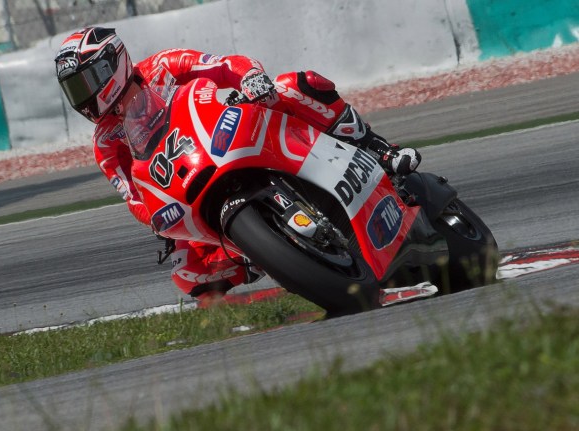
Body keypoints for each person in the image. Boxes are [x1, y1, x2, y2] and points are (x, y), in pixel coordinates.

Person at [54, 26, 421, 304]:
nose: (83, 97)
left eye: (85, 83)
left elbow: (223, 65)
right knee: (188, 274)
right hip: (186, 184)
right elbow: (131, 196)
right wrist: (154, 216)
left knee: (294, 85)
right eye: (74, 90)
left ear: (112, 64)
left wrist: (250, 77)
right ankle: (259, 256)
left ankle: (376, 148)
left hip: (224, 135)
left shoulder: (163, 66)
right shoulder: (105, 142)